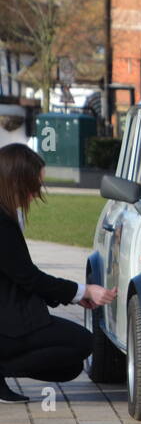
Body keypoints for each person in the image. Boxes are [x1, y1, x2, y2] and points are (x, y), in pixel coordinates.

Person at [0, 143, 115, 403]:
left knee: (70, 365)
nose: (36, 194)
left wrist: (73, 296)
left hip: (11, 314)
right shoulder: (2, 220)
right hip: (8, 322)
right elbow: (28, 277)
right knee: (82, 344)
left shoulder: (7, 215)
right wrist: (82, 291)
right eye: (33, 186)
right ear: (15, 181)